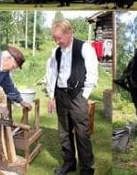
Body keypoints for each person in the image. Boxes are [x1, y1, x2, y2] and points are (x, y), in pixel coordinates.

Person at [46, 19, 99, 175]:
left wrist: (84, 95)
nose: (57, 41)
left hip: (77, 96)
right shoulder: (56, 52)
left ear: (69, 33)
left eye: (59, 38)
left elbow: (92, 73)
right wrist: (51, 96)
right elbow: (52, 73)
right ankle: (69, 163)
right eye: (54, 38)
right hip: (61, 95)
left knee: (82, 133)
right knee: (64, 132)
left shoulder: (85, 48)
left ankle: (87, 169)